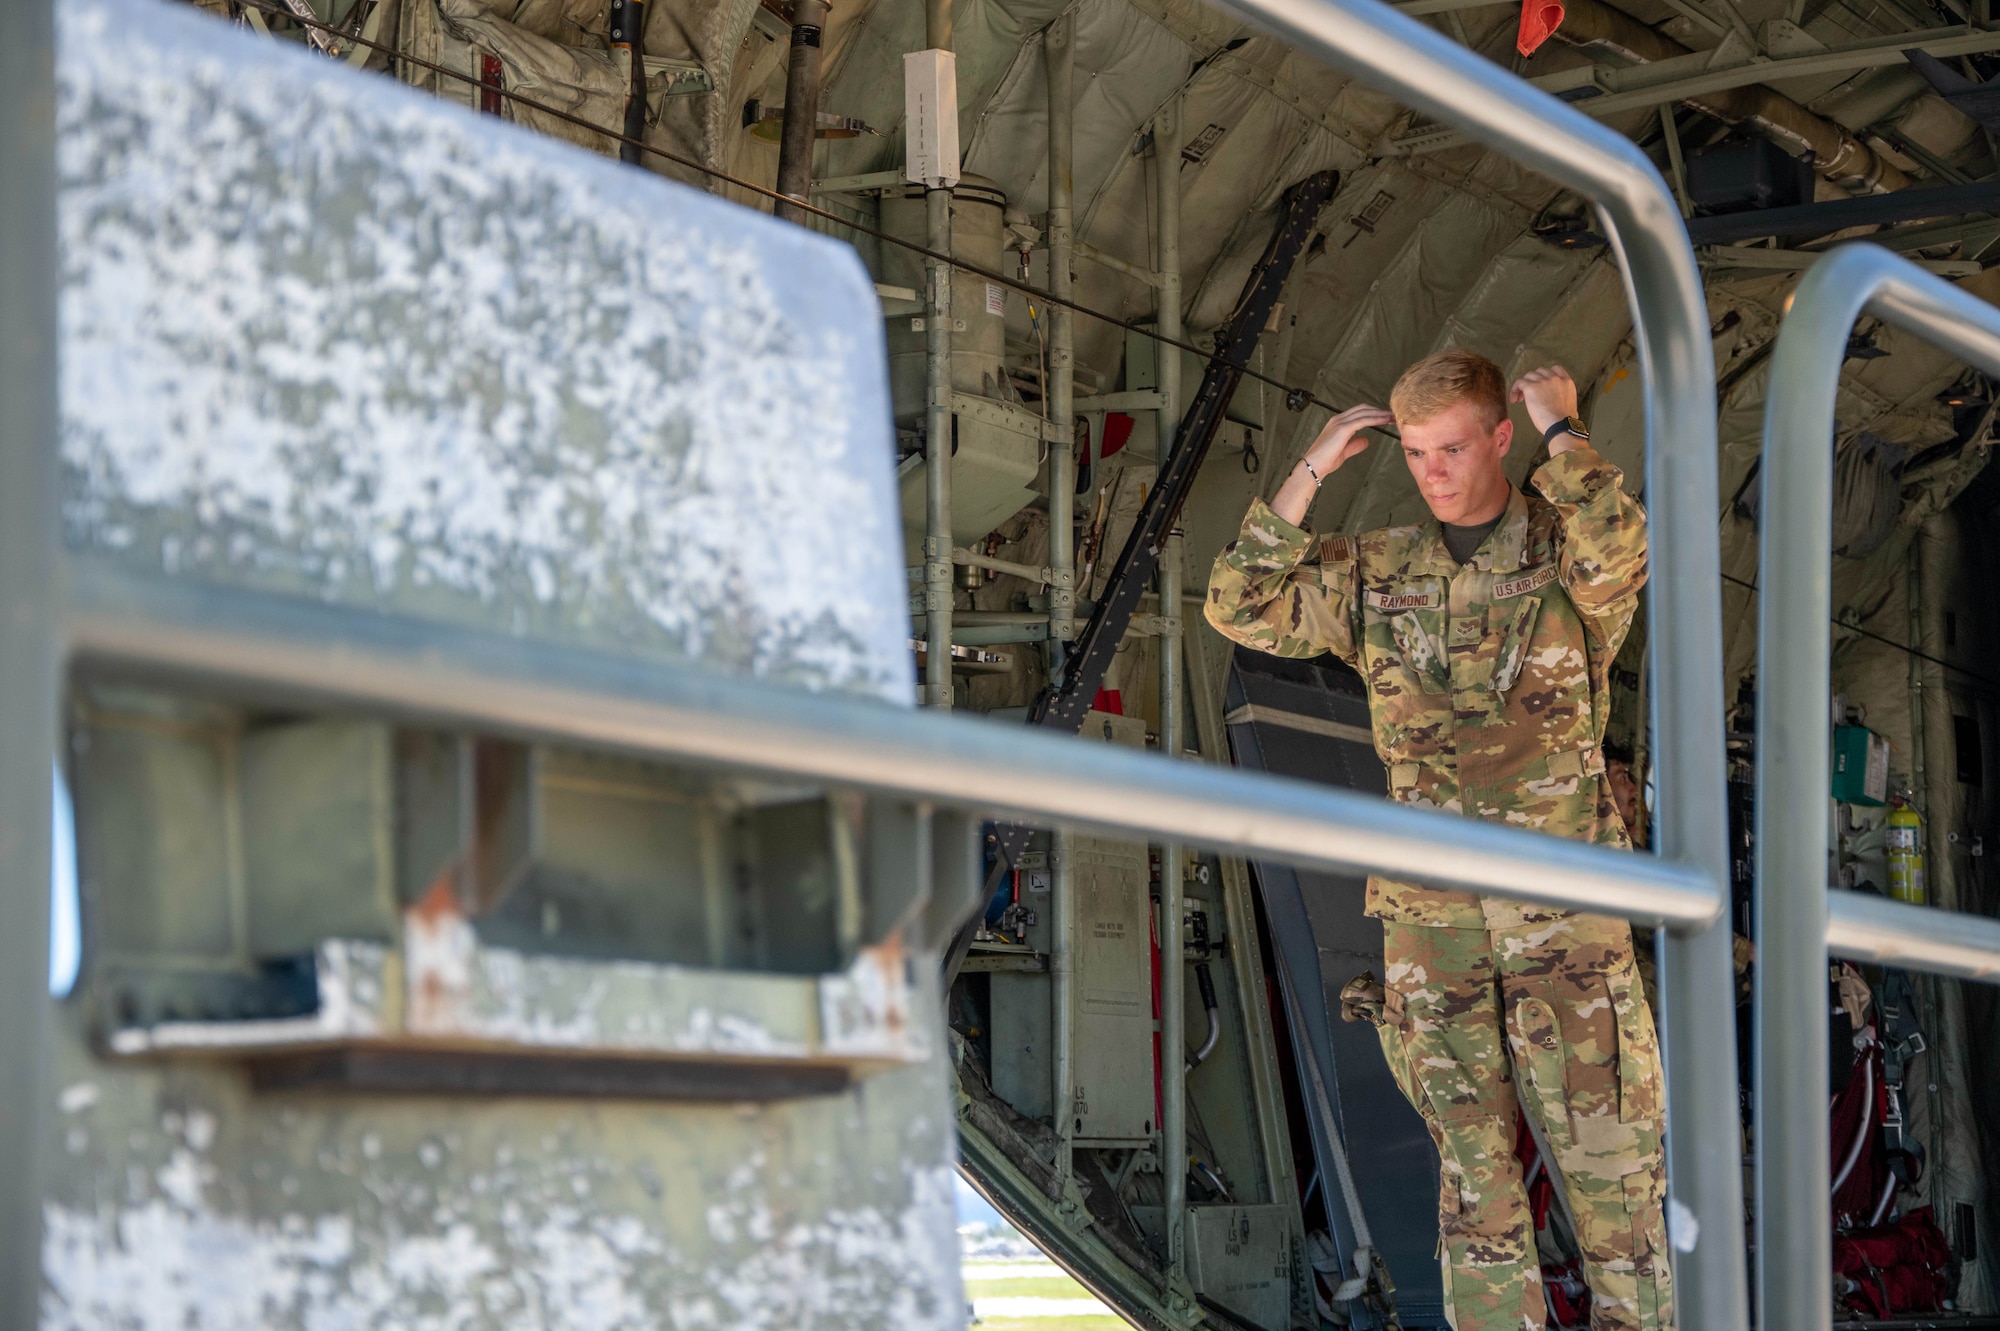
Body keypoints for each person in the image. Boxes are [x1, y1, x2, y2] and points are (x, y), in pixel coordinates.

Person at [1204, 350, 1669, 1331]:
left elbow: (1619, 547)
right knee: (1472, 1191)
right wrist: (1312, 467)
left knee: (1614, 1186)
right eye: (1415, 453)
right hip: (1430, 921)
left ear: (1498, 435)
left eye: (1451, 446)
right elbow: (1237, 604)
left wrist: (1564, 428)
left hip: (1562, 919)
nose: (1433, 471)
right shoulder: (1379, 570)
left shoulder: (1561, 558)